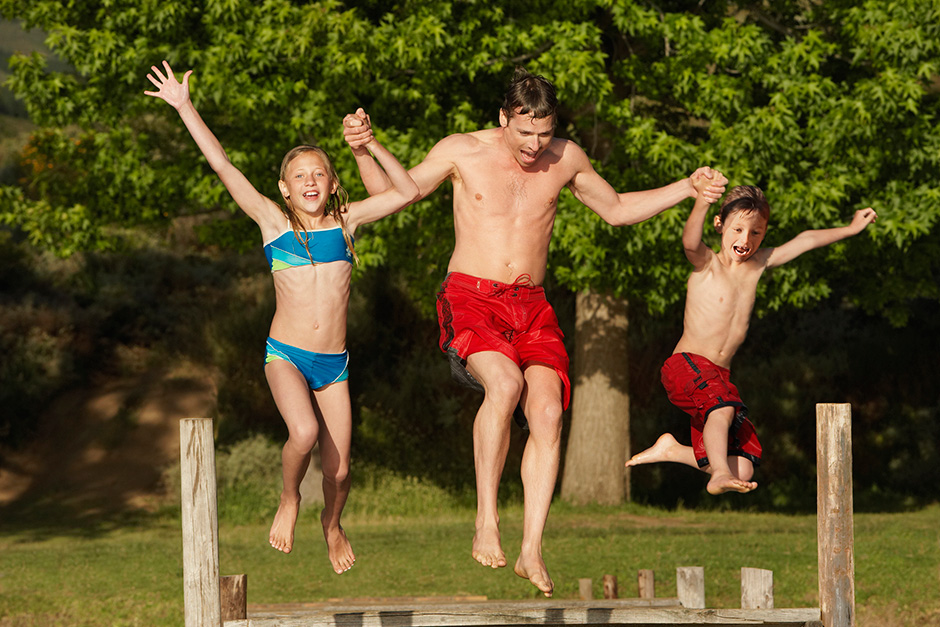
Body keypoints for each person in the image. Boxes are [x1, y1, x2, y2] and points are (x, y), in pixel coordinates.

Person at [343, 67, 725, 596]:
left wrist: (687, 187)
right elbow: (393, 196)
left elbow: (616, 210)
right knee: (505, 385)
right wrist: (364, 150)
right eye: (524, 132)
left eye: (544, 134)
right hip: (471, 298)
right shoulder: (461, 151)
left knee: (548, 412)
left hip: (532, 306)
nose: (534, 145)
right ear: (503, 117)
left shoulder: (566, 158)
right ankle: (486, 520)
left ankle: (531, 548)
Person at [145, 60, 419, 573]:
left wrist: (368, 145)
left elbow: (406, 192)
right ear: (285, 188)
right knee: (304, 432)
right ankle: (289, 497)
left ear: (332, 183)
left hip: (333, 364)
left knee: (340, 473)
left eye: (319, 173)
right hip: (286, 356)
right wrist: (184, 107)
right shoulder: (272, 222)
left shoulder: (348, 221)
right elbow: (223, 165)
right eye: (299, 176)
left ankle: (332, 524)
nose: (309, 181)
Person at [626, 182, 877, 495]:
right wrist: (703, 200)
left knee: (743, 467)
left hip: (718, 377)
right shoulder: (707, 264)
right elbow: (690, 241)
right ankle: (718, 473)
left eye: (756, 233)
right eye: (738, 229)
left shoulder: (759, 264)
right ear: (719, 225)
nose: (745, 240)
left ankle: (673, 451)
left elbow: (806, 239)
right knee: (722, 409)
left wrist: (850, 229)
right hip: (686, 366)